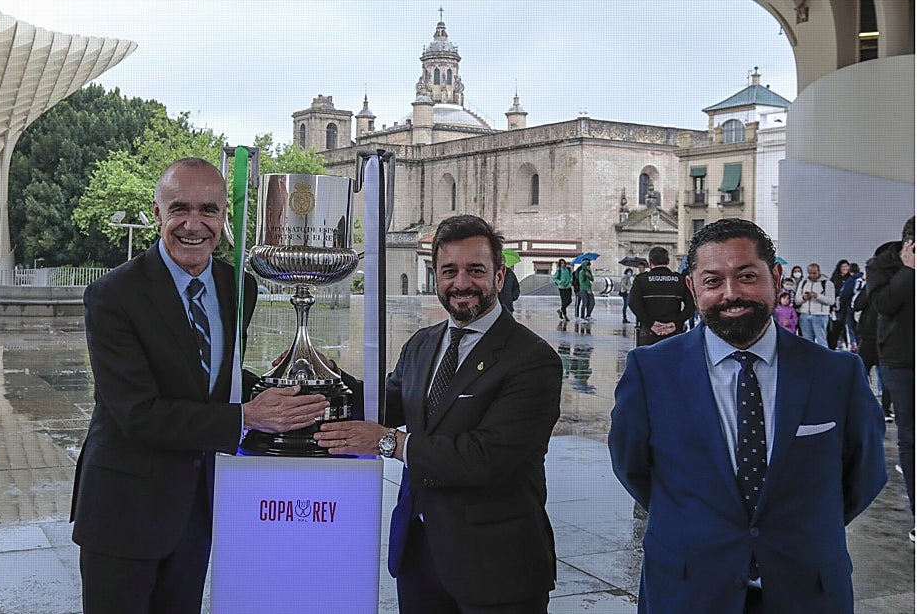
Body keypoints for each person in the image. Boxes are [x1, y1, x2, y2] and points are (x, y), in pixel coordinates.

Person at [69, 158, 328, 613]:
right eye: (180, 209)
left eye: (208, 210)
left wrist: (281, 385)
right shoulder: (113, 295)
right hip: (124, 511)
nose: (194, 224)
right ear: (156, 212)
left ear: (224, 216)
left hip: (198, 510)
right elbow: (137, 412)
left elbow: (208, 379)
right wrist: (248, 416)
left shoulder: (236, 287)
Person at [609, 218, 886, 613]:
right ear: (692, 288)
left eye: (747, 276)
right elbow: (632, 468)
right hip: (689, 590)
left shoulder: (836, 374)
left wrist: (799, 529)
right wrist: (699, 520)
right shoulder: (650, 372)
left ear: (775, 277)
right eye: (712, 282)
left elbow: (865, 474)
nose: (731, 294)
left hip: (807, 590)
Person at [314, 215, 562, 613]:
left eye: (475, 270)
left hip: (497, 569)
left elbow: (486, 459)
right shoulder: (423, 344)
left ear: (499, 277)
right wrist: (320, 377)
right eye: (449, 271)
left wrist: (388, 442)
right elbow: (385, 404)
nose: (461, 283)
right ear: (436, 276)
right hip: (420, 558)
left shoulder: (532, 360)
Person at [867, 216, 915, 541]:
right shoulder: (881, 265)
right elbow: (883, 306)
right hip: (902, 360)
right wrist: (909, 271)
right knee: (911, 437)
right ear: (908, 241)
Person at [628, 246, 695, 347]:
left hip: (648, 332)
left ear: (650, 263)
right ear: (668, 261)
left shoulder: (641, 280)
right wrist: (676, 323)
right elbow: (691, 305)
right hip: (674, 333)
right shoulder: (680, 279)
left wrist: (650, 323)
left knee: (647, 362)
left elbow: (633, 303)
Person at [855, 263, 893, 422]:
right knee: (872, 374)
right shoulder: (876, 288)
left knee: (876, 374)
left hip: (879, 336)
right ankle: (877, 408)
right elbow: (858, 304)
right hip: (876, 337)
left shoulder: (883, 288)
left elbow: (858, 305)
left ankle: (879, 408)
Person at [795, 262, 835, 345]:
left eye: (814, 273)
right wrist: (804, 298)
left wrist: (817, 296)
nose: (812, 275)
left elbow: (831, 301)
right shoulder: (803, 283)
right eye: (810, 273)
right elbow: (797, 300)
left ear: (819, 272)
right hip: (805, 314)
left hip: (820, 315)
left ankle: (823, 357)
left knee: (821, 341)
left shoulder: (827, 283)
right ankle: (809, 357)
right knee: (807, 342)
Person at [838, 262, 863, 350]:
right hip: (863, 307)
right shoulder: (864, 278)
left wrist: (841, 302)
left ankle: (854, 344)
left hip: (851, 306)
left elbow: (846, 293)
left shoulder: (852, 279)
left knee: (850, 326)